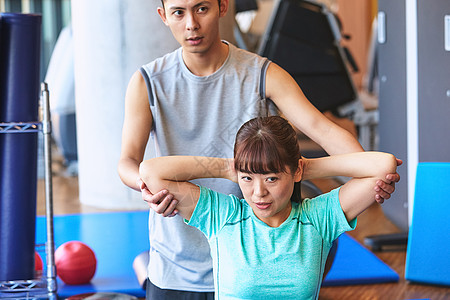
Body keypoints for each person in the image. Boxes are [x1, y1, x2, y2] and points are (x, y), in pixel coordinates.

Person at [117, 0, 401, 297]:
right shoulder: (147, 82)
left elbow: (321, 128)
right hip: (180, 257)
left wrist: (366, 178)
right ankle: (144, 267)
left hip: (253, 254)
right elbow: (128, 162)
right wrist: (149, 187)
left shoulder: (262, 73)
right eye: (178, 12)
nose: (191, 24)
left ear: (223, 6)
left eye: (202, 9)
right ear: (163, 16)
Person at [139, 116, 398, 300]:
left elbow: (384, 165)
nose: (258, 193)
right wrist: (232, 168)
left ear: (295, 171)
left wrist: (305, 167)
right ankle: (142, 264)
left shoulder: (319, 218)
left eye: (272, 178)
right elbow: (151, 171)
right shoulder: (222, 216)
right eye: (248, 179)